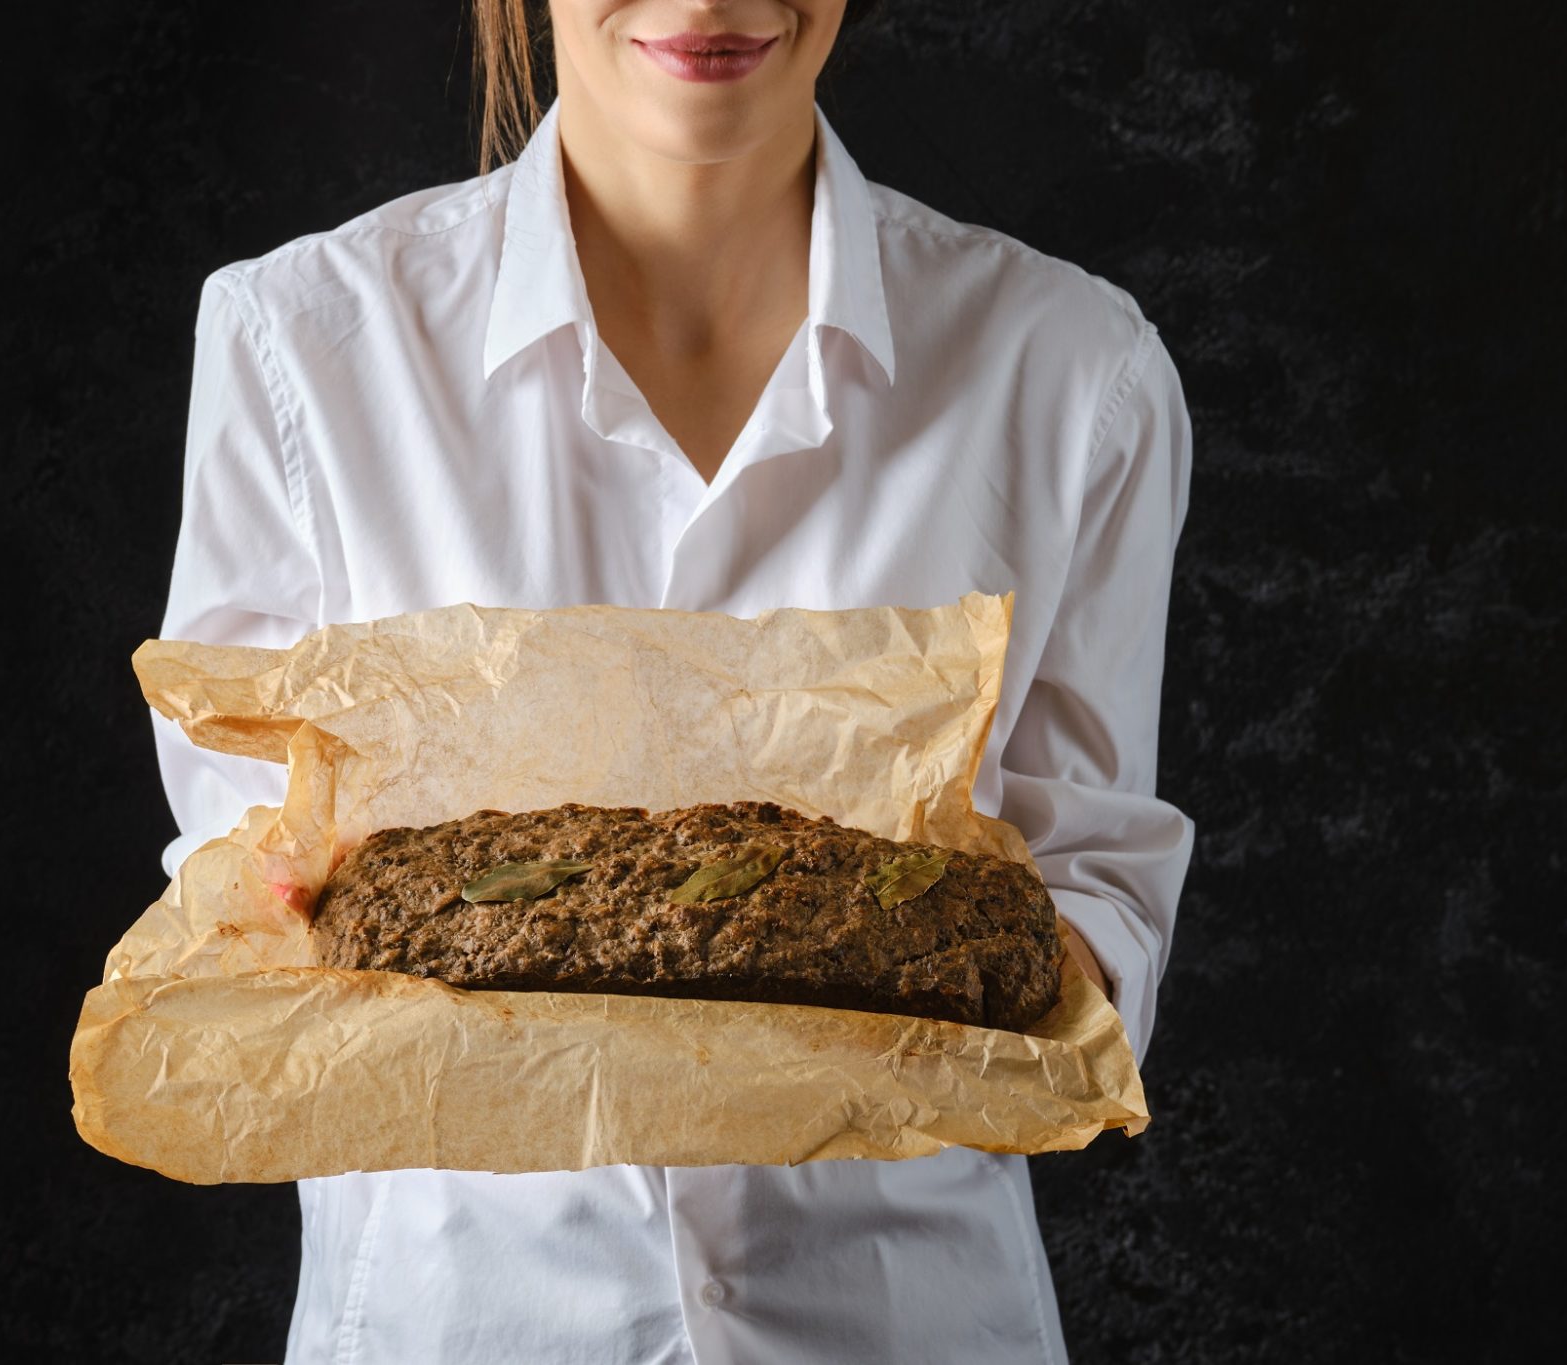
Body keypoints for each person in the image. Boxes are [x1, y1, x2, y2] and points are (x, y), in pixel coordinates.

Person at [150, 0, 1196, 1359]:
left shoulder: (1070, 375)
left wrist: (971, 961)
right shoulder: (306, 351)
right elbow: (246, 883)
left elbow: (1096, 897)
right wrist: (277, 898)